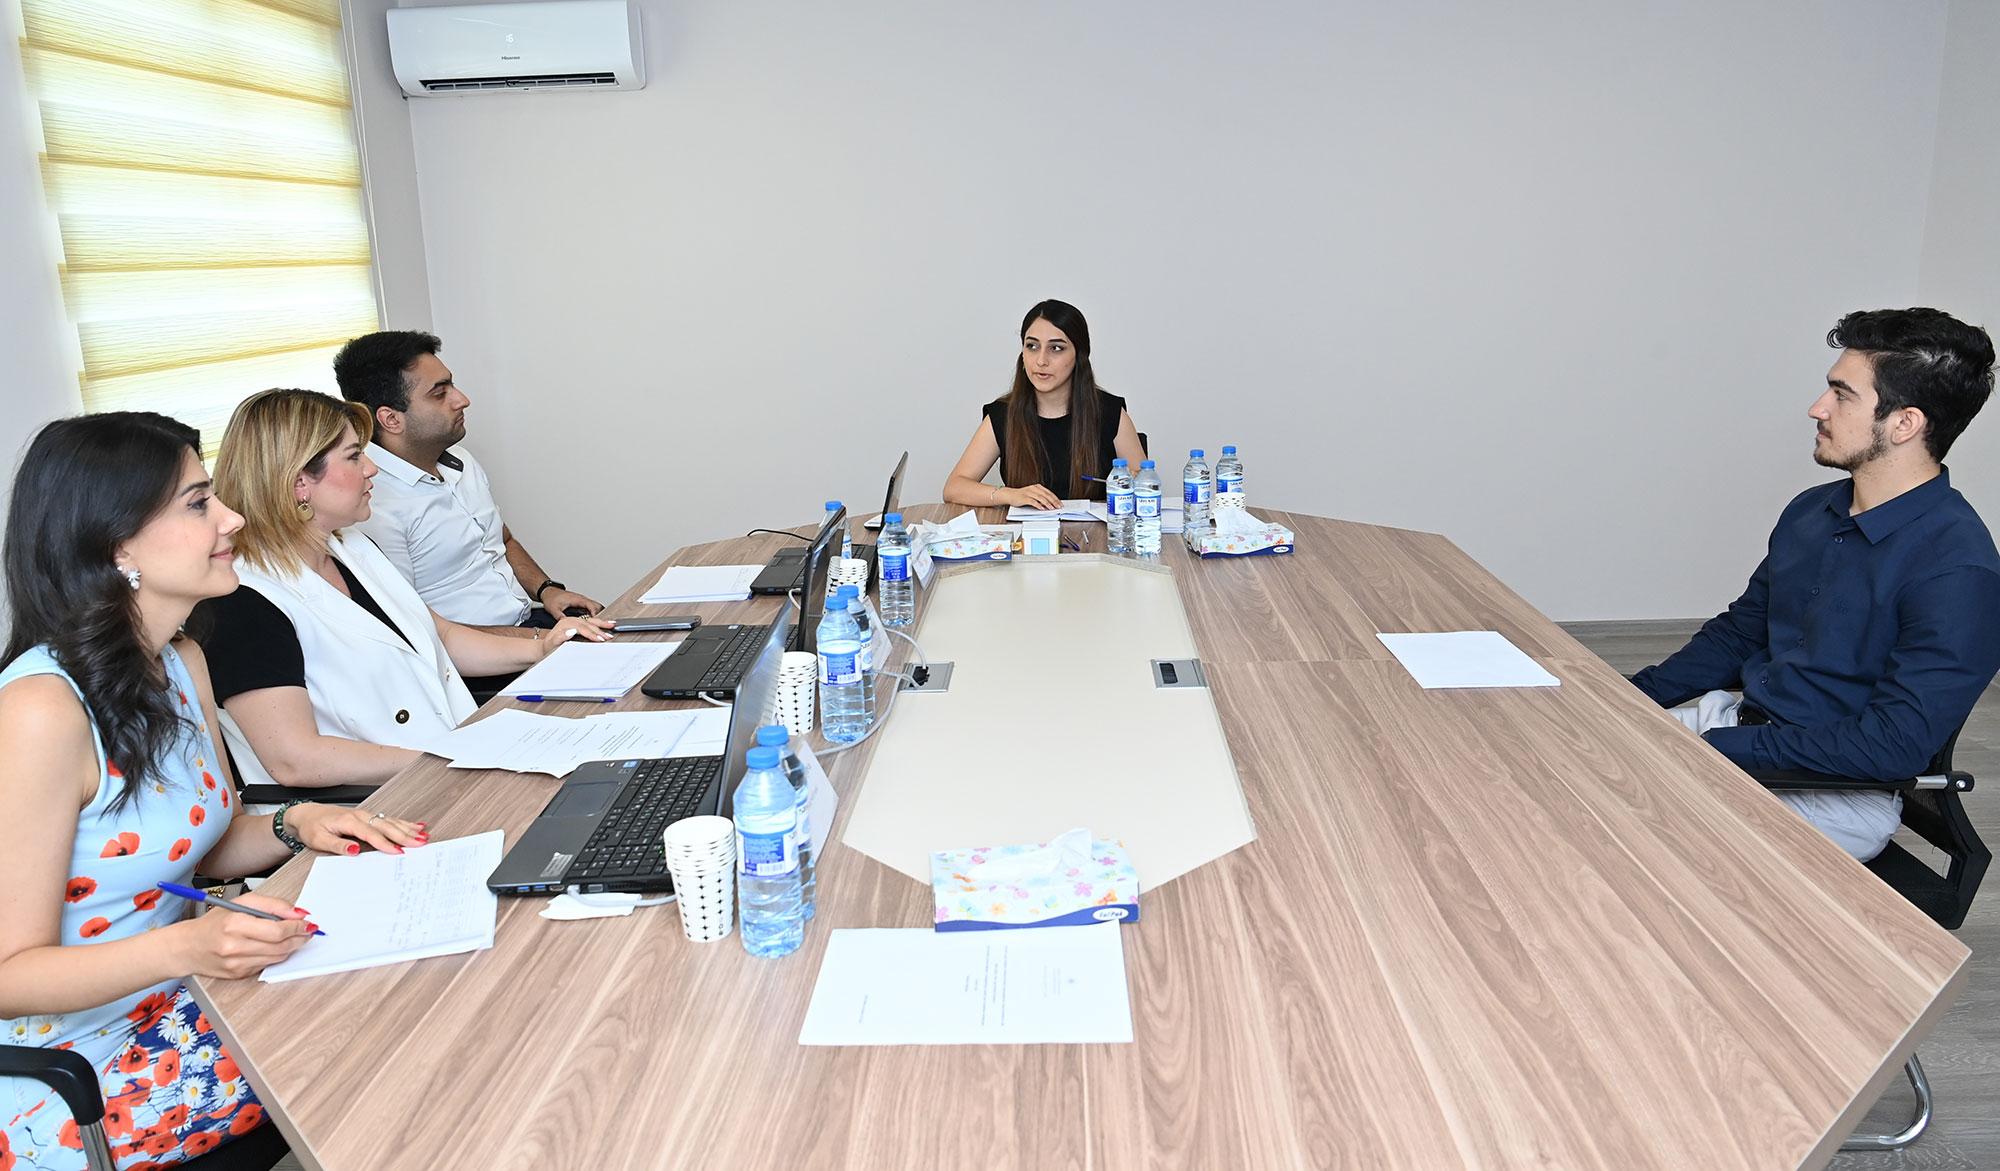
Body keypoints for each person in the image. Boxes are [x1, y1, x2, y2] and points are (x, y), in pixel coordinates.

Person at [0, 412, 425, 1171]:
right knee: (384, 1031)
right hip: (76, 1078)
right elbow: (8, 974)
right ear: (115, 544)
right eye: (199, 503)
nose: (232, 518)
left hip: (187, 995)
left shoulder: (181, 659)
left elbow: (202, 845)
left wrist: (298, 823)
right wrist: (187, 945)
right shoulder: (39, 710)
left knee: (407, 990)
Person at [1630, 308, 2000, 861]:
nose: (1817, 408)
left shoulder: (1959, 571)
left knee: (1616, 826)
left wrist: (1724, 749)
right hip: (1738, 729)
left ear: (1904, 424)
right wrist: (1629, 697)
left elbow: (1892, 745)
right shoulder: (1812, 511)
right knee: (1565, 754)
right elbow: (1740, 634)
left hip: (1835, 791)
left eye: (1842, 395)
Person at [193, 390, 613, 791]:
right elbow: (295, 759)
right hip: (374, 804)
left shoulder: (352, 546)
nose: (371, 468)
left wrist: (542, 649)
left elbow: (440, 637)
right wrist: (450, 756)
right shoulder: (242, 600)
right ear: (300, 482)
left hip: (451, 761)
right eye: (354, 456)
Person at [333, 330, 601, 634]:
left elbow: (503, 541)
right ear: (391, 419)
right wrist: (539, 640)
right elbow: (416, 628)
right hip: (481, 654)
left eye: (452, 385)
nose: (462, 400)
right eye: (439, 394)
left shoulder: (461, 461)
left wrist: (547, 590)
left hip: (528, 623)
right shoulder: (372, 505)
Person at [943, 300, 1148, 509]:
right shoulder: (1003, 414)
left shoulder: (1110, 412)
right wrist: (1009, 495)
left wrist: (1136, 484)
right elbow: (953, 487)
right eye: (1032, 346)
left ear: (1079, 355)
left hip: (1096, 530)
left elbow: (1146, 487)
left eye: (1056, 348)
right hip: (1025, 530)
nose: (1041, 361)